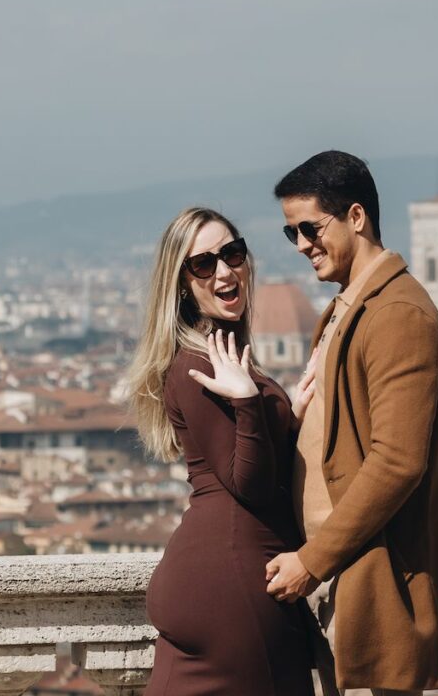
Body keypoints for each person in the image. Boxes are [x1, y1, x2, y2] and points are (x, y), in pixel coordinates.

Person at [265, 151, 438, 696]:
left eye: (310, 228)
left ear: (356, 217)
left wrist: (312, 561)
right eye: (291, 233)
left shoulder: (397, 314)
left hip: (376, 587)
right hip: (342, 581)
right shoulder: (348, 307)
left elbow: (398, 460)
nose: (302, 245)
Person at [127, 206, 317, 696]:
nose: (225, 271)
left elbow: (244, 459)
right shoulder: (196, 367)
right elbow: (249, 486)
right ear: (182, 284)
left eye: (232, 253)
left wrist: (287, 415)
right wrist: (252, 403)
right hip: (232, 584)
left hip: (217, 579)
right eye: (203, 264)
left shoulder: (219, 355)